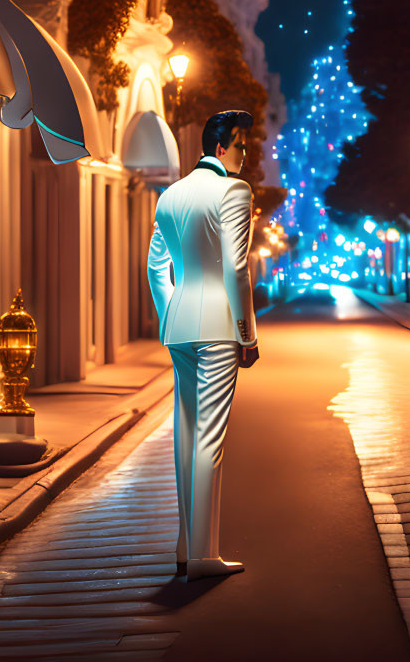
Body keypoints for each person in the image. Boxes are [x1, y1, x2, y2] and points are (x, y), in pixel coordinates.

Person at [148, 110, 259, 581]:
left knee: (187, 435)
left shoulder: (170, 194)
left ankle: (184, 545)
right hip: (218, 326)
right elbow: (236, 268)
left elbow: (157, 268)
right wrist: (247, 334)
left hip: (179, 326)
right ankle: (204, 556)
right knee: (210, 438)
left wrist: (171, 311)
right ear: (221, 148)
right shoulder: (234, 191)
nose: (245, 154)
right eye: (241, 146)